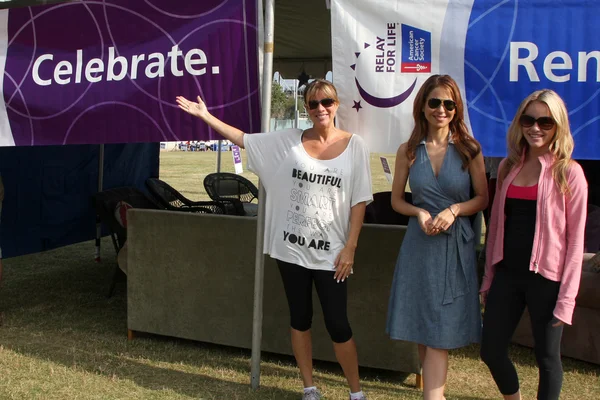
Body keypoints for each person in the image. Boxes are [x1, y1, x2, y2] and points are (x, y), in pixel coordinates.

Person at [176, 79, 373, 400]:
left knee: (339, 325)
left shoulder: (355, 146)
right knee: (300, 318)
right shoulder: (289, 141)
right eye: (313, 104)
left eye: (326, 102)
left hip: (333, 255)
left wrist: (350, 247)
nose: (320, 108)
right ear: (306, 109)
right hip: (291, 250)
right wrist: (206, 116)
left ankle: (356, 392)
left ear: (337, 104)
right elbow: (245, 140)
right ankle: (309, 387)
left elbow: (359, 201)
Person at [479, 90, 587, 400]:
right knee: (491, 350)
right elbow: (497, 227)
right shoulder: (507, 168)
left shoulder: (570, 173)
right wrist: (490, 277)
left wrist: (567, 299)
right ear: (519, 123)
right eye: (529, 119)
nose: (535, 127)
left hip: (547, 281)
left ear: (558, 126)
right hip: (508, 276)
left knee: (547, 359)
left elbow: (576, 242)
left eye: (545, 121)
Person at [386, 74, 488, 400]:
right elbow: (396, 200)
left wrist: (455, 209)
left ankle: (433, 397)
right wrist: (419, 212)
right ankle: (435, 393)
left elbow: (483, 199)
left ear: (456, 108)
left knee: (439, 331)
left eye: (448, 103)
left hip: (454, 248)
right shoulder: (408, 151)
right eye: (434, 102)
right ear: (423, 106)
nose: (441, 109)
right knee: (421, 324)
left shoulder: (470, 150)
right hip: (419, 246)